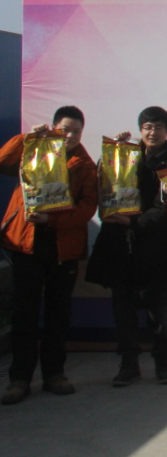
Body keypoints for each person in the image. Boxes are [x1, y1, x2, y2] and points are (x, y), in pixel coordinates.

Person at [0, 107, 98, 405]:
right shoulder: (33, 149)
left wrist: (52, 220)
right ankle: (20, 378)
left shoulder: (84, 164)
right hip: (25, 245)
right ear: (54, 127)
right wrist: (27, 138)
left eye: (76, 131)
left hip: (63, 248)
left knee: (58, 314)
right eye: (65, 129)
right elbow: (3, 162)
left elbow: (88, 207)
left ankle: (55, 374)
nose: (70, 136)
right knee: (24, 314)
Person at [86, 106, 167, 387]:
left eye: (159, 127)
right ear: (141, 130)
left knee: (158, 310)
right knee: (123, 309)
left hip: (156, 247)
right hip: (121, 247)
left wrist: (134, 222)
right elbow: (106, 184)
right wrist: (113, 152)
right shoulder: (125, 154)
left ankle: (162, 363)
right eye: (148, 127)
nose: (153, 132)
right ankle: (128, 364)